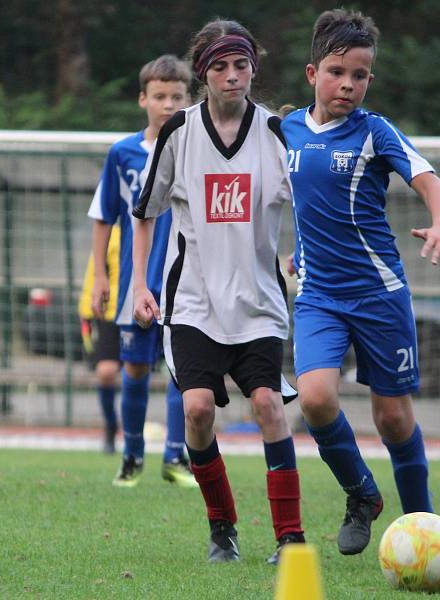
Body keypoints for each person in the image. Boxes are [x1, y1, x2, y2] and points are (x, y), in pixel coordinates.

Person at [281, 8, 440, 556]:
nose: (349, 85)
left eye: (360, 76)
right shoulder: (283, 129)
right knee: (314, 398)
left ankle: (422, 527)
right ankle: (362, 494)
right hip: (318, 295)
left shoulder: (375, 130)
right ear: (313, 73)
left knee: (392, 415)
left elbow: (427, 177)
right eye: (338, 72)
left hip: (379, 293)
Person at [131, 19, 304, 565]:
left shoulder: (276, 132)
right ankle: (222, 528)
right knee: (198, 410)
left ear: (254, 69)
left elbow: (309, 201)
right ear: (204, 72)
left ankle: (290, 538)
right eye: (221, 67)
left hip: (258, 303)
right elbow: (144, 213)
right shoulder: (177, 132)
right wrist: (139, 283)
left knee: (268, 405)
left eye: (242, 65)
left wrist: (306, 250)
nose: (233, 76)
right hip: (194, 303)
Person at [90, 54, 197, 488]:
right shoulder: (124, 153)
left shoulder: (197, 148)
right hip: (136, 284)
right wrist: (100, 275)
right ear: (143, 99)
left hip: (187, 282)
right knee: (134, 369)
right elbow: (104, 215)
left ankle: (175, 458)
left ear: (189, 99)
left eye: (177, 96)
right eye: (159, 96)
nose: (168, 104)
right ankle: (132, 455)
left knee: (181, 370)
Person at [78, 225, 122, 454]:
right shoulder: (109, 233)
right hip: (110, 313)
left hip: (147, 311)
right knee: (106, 371)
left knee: (139, 370)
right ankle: (110, 425)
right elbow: (93, 276)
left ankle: (174, 443)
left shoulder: (155, 225)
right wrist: (87, 313)